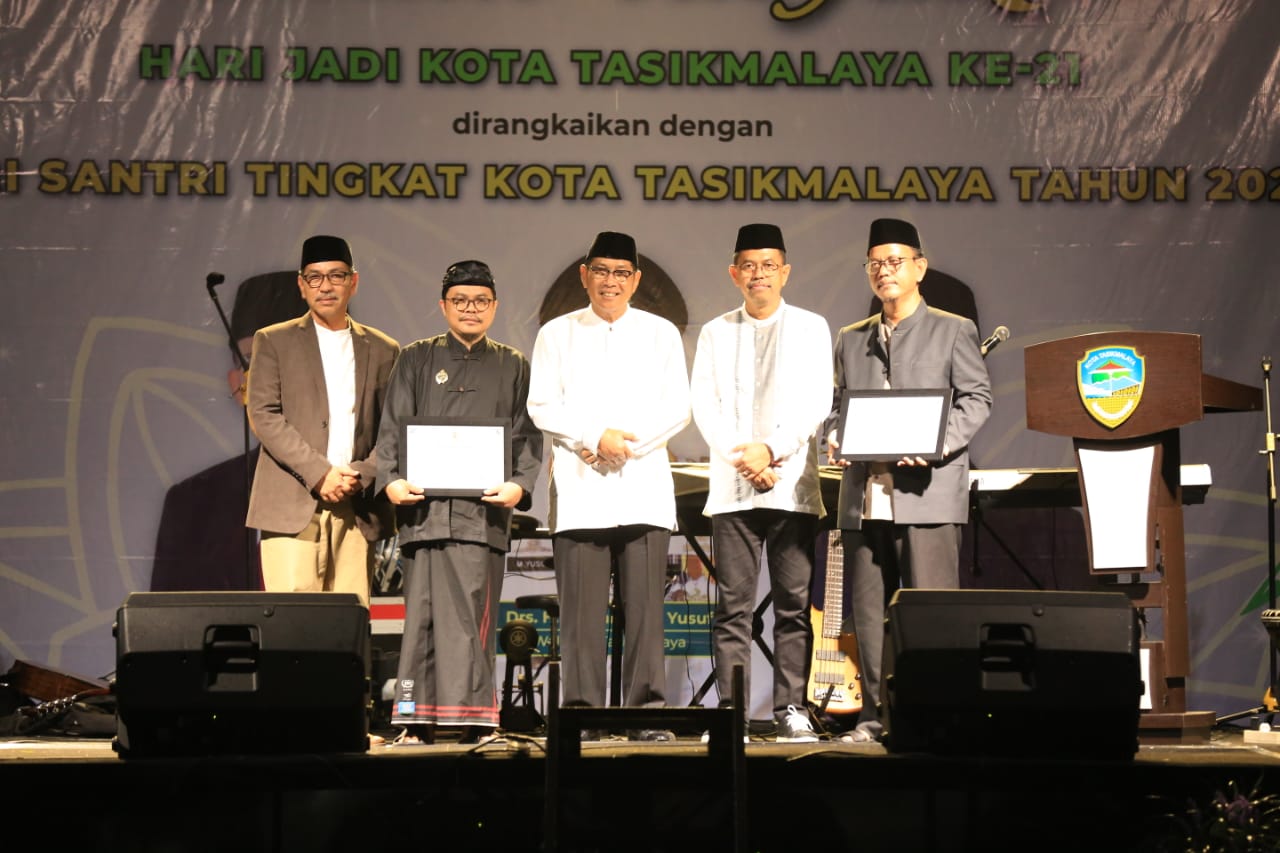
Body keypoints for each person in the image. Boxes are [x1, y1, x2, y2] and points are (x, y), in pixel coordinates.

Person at [828, 218, 992, 743]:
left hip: (928, 496)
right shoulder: (852, 339)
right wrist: (833, 437)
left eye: (895, 261)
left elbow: (977, 400)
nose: (884, 271)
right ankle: (876, 718)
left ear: (919, 267)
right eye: (875, 263)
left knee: (932, 614)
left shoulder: (953, 329)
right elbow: (834, 408)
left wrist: (936, 444)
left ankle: (938, 717)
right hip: (865, 499)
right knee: (870, 615)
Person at [527, 230, 691, 742]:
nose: (610, 281)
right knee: (581, 617)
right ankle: (583, 718)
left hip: (643, 489)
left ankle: (647, 717)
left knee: (645, 614)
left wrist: (627, 447)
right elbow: (542, 405)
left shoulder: (661, 332)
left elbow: (678, 408)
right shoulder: (556, 333)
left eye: (621, 273)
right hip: (580, 491)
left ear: (636, 280)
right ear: (584, 274)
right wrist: (592, 437)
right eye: (601, 271)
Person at [374, 260, 543, 744]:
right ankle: (412, 717)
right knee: (421, 620)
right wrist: (391, 480)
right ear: (444, 305)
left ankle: (473, 720)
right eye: (461, 301)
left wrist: (517, 485)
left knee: (472, 620)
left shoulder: (512, 364)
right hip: (423, 514)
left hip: (481, 516)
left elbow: (528, 439)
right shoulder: (416, 359)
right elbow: (391, 429)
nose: (471, 310)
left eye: (481, 301)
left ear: (494, 306)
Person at [689, 223, 832, 742]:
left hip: (791, 484)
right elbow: (705, 405)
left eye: (768, 265)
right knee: (734, 608)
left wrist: (769, 450)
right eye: (748, 266)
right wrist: (743, 457)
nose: (758, 275)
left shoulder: (813, 327)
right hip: (734, 488)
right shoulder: (715, 331)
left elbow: (816, 402)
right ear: (734, 273)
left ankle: (790, 708)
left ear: (785, 271)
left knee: (794, 606)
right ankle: (732, 713)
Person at [245, 234, 400, 605]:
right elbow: (264, 415)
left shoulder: (384, 348)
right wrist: (320, 473)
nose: (326, 286)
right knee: (292, 624)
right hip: (291, 503)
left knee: (348, 621)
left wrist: (360, 474)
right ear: (301, 285)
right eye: (315, 277)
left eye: (336, 276)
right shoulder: (272, 341)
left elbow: (395, 427)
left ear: (353, 281)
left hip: (355, 503)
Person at [151, 271, 308, 591]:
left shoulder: (382, 495)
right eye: (251, 359)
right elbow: (169, 631)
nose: (268, 376)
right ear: (237, 384)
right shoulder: (194, 506)